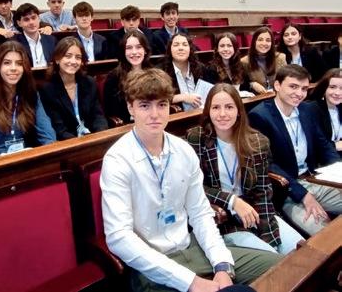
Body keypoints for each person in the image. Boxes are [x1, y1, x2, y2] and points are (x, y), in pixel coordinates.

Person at [101, 68, 280, 292]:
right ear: (131, 108)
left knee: (281, 269)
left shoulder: (183, 150)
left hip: (192, 248)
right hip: (151, 265)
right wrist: (190, 282)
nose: (155, 114)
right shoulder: (118, 159)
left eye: (162, 105)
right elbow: (119, 237)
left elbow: (201, 213)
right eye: (145, 106)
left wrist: (222, 265)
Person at [187, 84, 303, 255]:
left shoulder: (258, 142)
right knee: (271, 259)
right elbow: (193, 187)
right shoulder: (197, 138)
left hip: (254, 209)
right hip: (222, 217)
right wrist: (232, 201)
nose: (222, 114)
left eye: (229, 107)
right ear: (208, 111)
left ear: (239, 111)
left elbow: (263, 192)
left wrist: (269, 235)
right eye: (216, 107)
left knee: (300, 249)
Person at [248, 64, 342, 236]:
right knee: (326, 236)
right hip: (287, 191)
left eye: (304, 88)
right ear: (277, 85)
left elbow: (324, 146)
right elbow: (267, 164)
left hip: (313, 179)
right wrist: (303, 195)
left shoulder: (307, 110)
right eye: (293, 86)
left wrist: (339, 170)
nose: (299, 93)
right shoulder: (260, 116)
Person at [0, 41, 56, 161]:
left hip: (25, 159)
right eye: (7, 63)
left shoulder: (30, 94)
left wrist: (49, 153)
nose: (13, 68)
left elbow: (47, 135)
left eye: (19, 63)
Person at [39, 37, 107, 140]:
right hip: (68, 142)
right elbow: (58, 128)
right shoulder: (48, 89)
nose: (73, 61)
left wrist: (100, 136)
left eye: (78, 57)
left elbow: (98, 116)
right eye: (68, 56)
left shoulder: (89, 83)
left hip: (92, 138)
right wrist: (80, 143)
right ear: (57, 59)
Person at [103, 30, 152, 124]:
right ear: (123, 52)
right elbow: (110, 111)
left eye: (139, 47)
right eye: (129, 48)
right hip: (127, 125)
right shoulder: (113, 77)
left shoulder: (154, 74)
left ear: (145, 50)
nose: (134, 52)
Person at [161, 33, 216, 111]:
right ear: (170, 49)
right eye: (176, 45)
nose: (181, 48)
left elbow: (213, 90)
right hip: (179, 116)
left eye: (185, 45)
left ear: (190, 49)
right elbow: (156, 98)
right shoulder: (161, 71)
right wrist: (182, 97)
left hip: (202, 113)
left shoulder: (201, 68)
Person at [241, 27, 286, 94]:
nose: (264, 43)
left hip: (278, 95)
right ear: (254, 42)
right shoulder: (244, 62)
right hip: (258, 97)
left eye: (268, 40)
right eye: (260, 40)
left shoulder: (280, 58)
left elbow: (286, 79)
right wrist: (252, 84)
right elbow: (243, 86)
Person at [308, 68, 342, 155]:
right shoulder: (312, 109)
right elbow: (315, 143)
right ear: (324, 88)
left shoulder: (340, 107)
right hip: (323, 159)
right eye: (332, 87)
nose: (337, 93)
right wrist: (335, 146)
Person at [14, 3, 57, 68]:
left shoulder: (51, 40)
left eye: (33, 18)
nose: (31, 22)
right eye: (26, 19)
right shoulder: (15, 43)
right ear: (19, 23)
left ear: (39, 19)